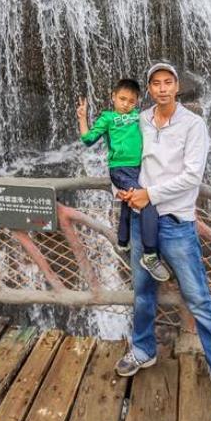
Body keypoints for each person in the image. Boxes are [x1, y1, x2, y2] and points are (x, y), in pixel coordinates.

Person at [114, 61, 211, 415]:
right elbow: (126, 157)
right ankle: (143, 350)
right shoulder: (140, 120)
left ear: (176, 87)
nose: (161, 88)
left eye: (167, 82)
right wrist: (126, 190)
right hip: (143, 221)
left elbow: (192, 177)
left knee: (199, 300)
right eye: (155, 83)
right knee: (143, 294)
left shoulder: (193, 125)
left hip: (177, 224)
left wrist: (149, 195)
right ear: (150, 89)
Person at [77, 79, 170, 282]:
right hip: (119, 170)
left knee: (129, 204)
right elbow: (88, 140)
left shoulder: (138, 116)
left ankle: (122, 241)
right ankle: (150, 255)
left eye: (131, 101)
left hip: (139, 169)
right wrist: (83, 118)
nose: (126, 104)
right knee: (147, 202)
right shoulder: (107, 118)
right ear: (113, 97)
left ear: (136, 102)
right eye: (122, 99)